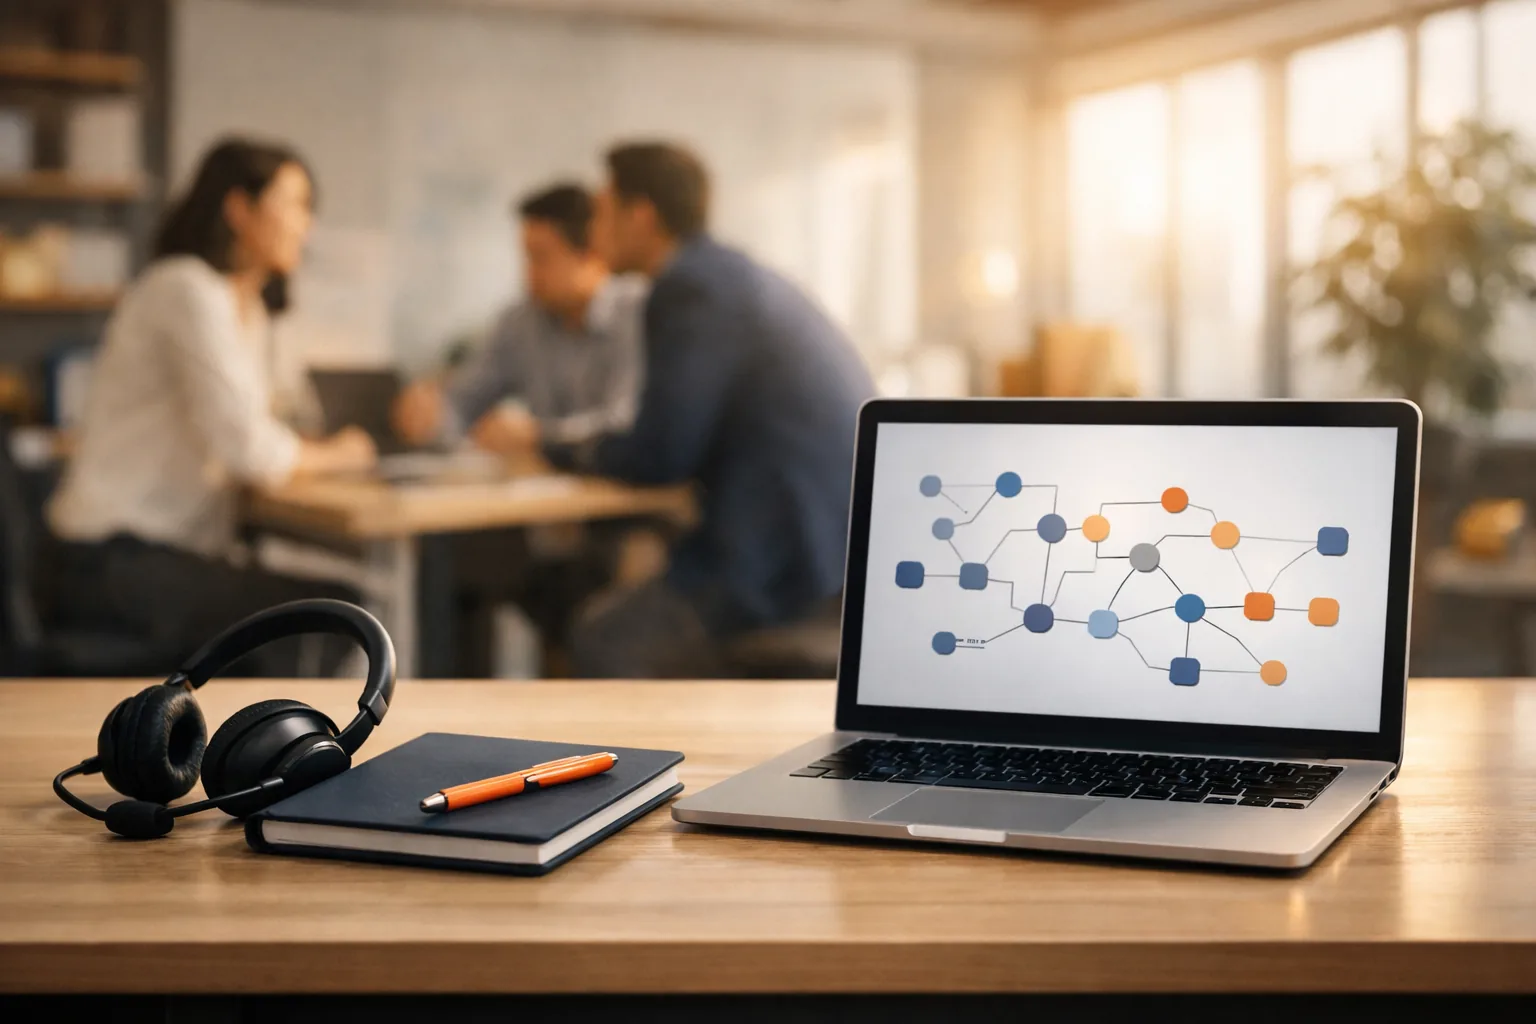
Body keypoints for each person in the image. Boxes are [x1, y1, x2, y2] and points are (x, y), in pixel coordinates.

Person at [45, 137, 377, 674]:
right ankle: (283, 752)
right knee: (341, 612)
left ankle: (267, 747)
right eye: (294, 205)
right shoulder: (183, 288)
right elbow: (252, 450)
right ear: (240, 210)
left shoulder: (243, 309)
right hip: (112, 563)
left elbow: (274, 422)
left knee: (328, 605)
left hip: (157, 559)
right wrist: (345, 453)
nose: (306, 226)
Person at [547, 141, 876, 678]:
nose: (593, 230)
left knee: (602, 637)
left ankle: (647, 765)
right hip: (834, 550)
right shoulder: (734, 277)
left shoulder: (691, 288)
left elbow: (661, 452)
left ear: (642, 215)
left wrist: (558, 448)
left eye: (603, 212)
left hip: (784, 562)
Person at [392, 183, 644, 453]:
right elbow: (465, 401)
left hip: (622, 488)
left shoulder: (638, 314)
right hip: (546, 488)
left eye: (541, 258)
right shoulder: (521, 321)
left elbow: (624, 423)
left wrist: (539, 437)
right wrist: (431, 417)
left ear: (592, 255)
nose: (529, 274)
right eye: (526, 257)